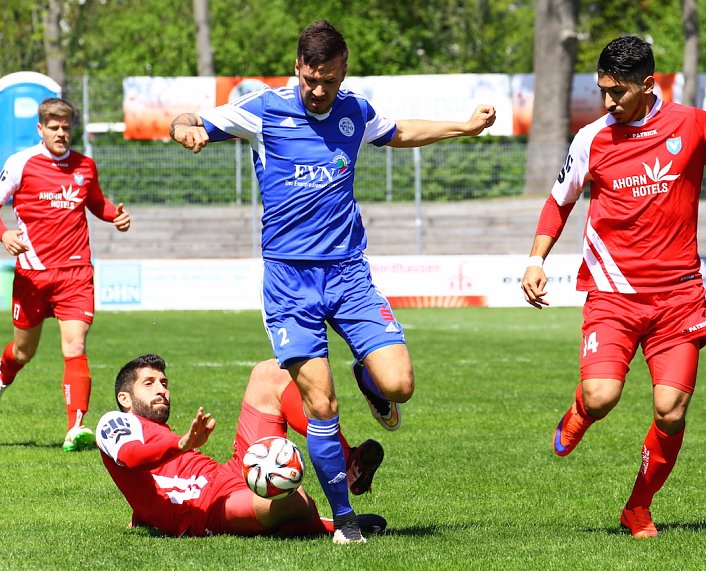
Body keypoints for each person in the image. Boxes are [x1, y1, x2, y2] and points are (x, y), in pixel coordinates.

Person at [169, 19, 496, 543]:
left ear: (343, 72)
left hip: (349, 276)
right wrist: (184, 129)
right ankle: (344, 520)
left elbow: (400, 132)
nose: (319, 91)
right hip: (288, 280)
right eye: (310, 79)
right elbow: (193, 119)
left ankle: (372, 383)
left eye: (330, 80)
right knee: (320, 404)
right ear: (297, 68)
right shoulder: (262, 109)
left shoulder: (354, 110)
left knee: (399, 385)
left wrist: (463, 127)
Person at [520, 35, 706, 538]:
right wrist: (536, 260)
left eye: (617, 92)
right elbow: (559, 201)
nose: (608, 102)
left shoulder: (692, 125)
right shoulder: (591, 138)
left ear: (647, 84)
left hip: (679, 295)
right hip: (613, 294)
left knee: (671, 409)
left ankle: (637, 507)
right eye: (602, 91)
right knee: (601, 397)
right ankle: (580, 411)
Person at [96, 354, 387, 543]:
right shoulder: (113, 423)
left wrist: (143, 511)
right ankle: (327, 525)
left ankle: (349, 462)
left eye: (164, 382)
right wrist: (181, 443)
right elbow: (132, 457)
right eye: (149, 383)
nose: (162, 389)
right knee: (292, 497)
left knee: (269, 372)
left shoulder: (160, 432)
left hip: (230, 474)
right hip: (208, 509)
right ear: (124, 397)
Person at [0, 97, 132, 452]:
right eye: (53, 127)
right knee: (23, 353)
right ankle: (2, 375)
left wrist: (113, 216)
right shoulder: (20, 164)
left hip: (75, 273)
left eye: (65, 127)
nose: (61, 133)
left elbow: (96, 202)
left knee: (75, 345)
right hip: (33, 274)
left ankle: (76, 427)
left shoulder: (85, 166)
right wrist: (4, 234)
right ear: (40, 129)